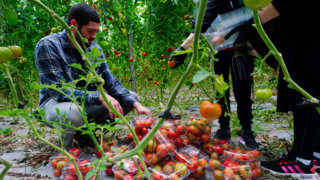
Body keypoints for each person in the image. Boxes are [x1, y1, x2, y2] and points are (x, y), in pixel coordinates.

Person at [35, 3, 151, 148]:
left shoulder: (93, 48)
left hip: (84, 103)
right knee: (73, 113)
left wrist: (137, 105)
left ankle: (84, 134)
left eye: (96, 31)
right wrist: (100, 96)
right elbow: (58, 91)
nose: (94, 37)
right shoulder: (48, 45)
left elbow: (111, 83)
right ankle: (67, 152)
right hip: (54, 104)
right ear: (73, 25)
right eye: (90, 31)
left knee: (131, 98)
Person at [229, 0, 320, 178]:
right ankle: (312, 153)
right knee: (310, 90)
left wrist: (250, 26)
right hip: (307, 36)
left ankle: (302, 161)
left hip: (306, 39)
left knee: (306, 94)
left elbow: (282, 4)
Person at [169, 0, 262, 149]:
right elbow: (202, 23)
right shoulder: (204, 3)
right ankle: (224, 129)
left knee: (242, 90)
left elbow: (203, 24)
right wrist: (182, 48)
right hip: (218, 47)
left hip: (242, 45)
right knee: (220, 91)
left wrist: (183, 48)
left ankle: (247, 131)